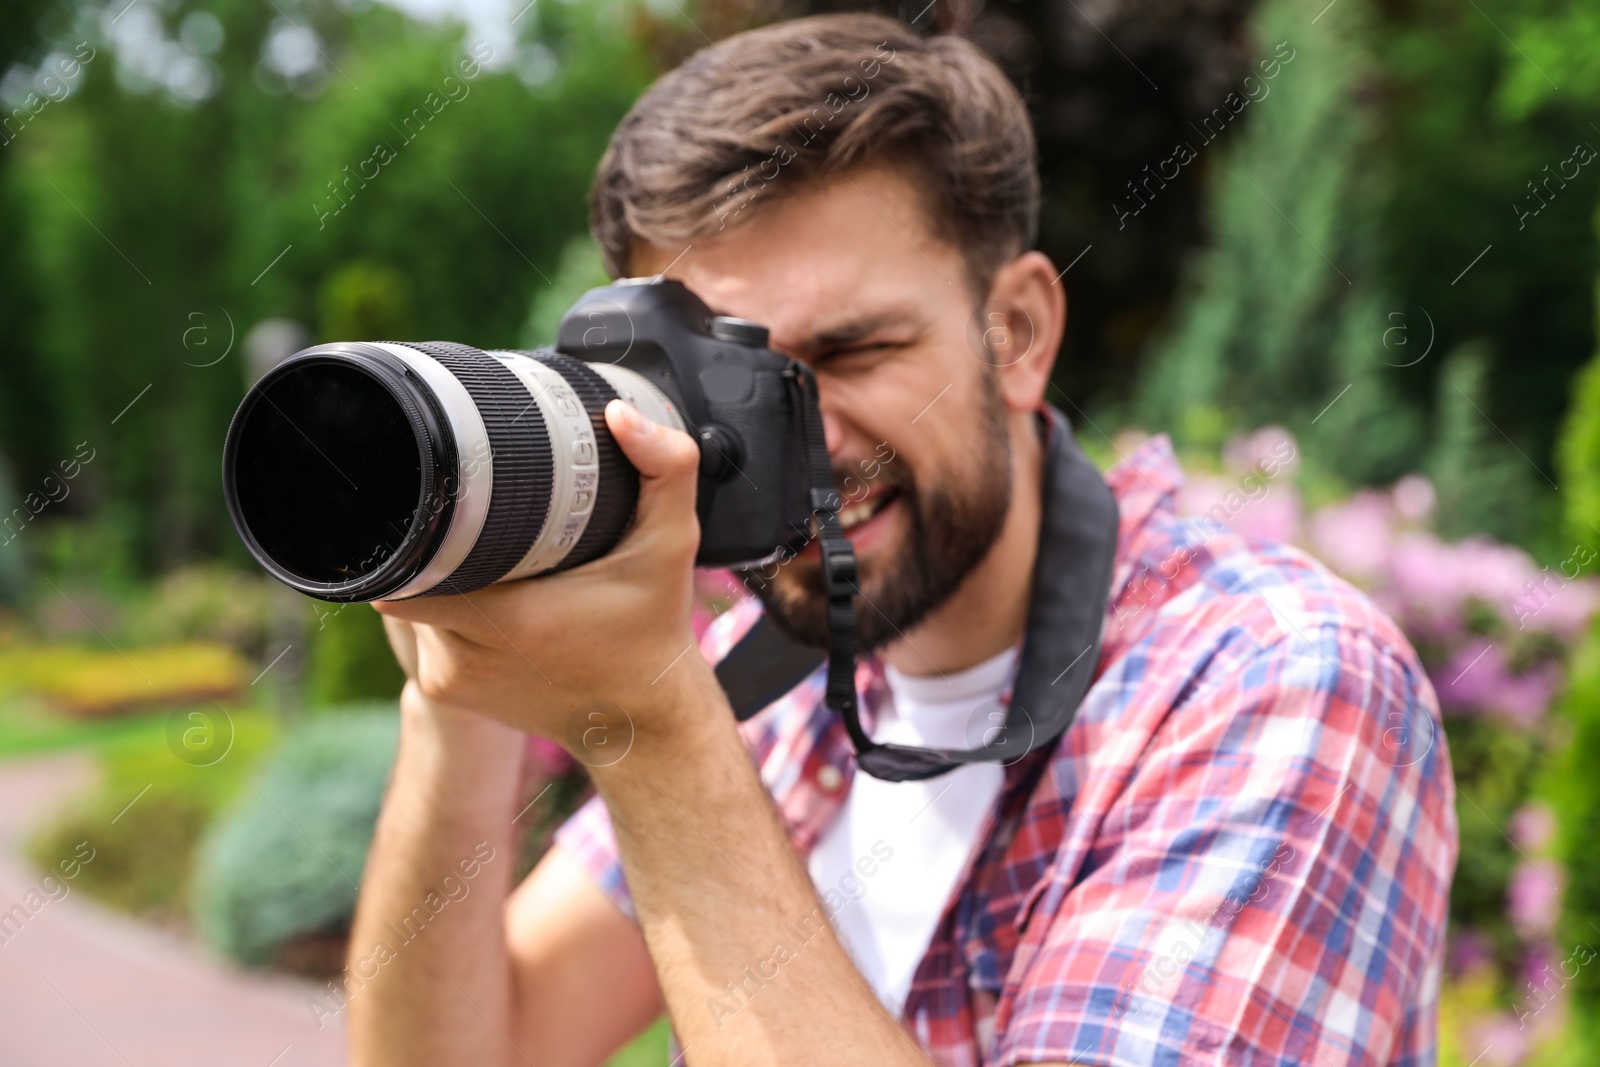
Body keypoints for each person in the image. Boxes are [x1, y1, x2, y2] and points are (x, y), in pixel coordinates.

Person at [349, 13, 1457, 1066]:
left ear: (1016, 332)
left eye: (854, 350)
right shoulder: (785, 694)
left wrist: (654, 727)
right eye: (732, 383)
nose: (801, 440)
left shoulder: (1270, 679)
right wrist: (458, 700)